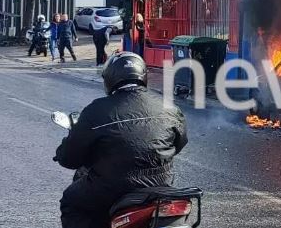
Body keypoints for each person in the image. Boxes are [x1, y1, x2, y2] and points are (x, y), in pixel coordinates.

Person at [54, 52, 187, 228]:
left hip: (113, 186)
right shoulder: (168, 106)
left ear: (109, 79)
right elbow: (180, 142)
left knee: (71, 201)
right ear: (143, 75)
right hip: (161, 183)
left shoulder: (96, 110)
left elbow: (70, 158)